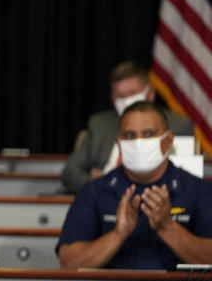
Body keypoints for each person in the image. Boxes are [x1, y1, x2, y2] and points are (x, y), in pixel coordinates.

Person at [57, 101, 212, 270]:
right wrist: (118, 234)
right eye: (130, 135)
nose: (139, 142)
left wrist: (168, 228)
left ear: (168, 141)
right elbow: (69, 263)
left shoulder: (199, 191)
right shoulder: (94, 191)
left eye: (148, 134)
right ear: (119, 144)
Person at [61, 61, 193, 193]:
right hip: (105, 196)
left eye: (132, 93)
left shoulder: (179, 126)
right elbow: (69, 173)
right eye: (121, 96)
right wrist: (98, 183)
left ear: (150, 93)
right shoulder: (99, 124)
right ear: (113, 99)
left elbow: (184, 179)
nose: (127, 100)